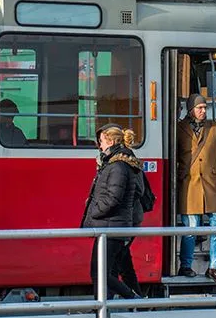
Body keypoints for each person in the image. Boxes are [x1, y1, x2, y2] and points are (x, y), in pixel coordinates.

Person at [80, 124, 143, 300]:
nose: (99, 146)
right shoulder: (115, 164)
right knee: (106, 271)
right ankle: (103, 308)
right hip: (112, 225)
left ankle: (132, 298)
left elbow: (114, 197)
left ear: (110, 141)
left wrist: (95, 212)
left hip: (112, 225)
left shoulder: (117, 166)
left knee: (100, 273)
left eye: (101, 142)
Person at [176, 94, 216, 289]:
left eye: (205, 108)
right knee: (190, 229)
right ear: (191, 109)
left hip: (212, 185)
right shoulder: (179, 128)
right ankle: (185, 266)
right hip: (189, 184)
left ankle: (215, 267)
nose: (203, 111)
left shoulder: (215, 128)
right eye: (199, 108)